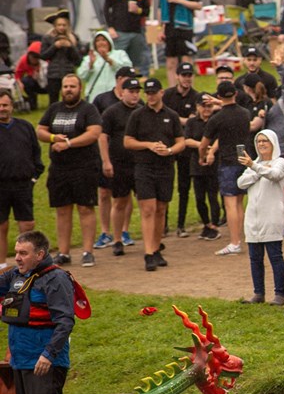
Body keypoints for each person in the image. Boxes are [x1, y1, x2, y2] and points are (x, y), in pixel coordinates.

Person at [0, 231, 77, 394]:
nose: (17, 258)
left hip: (45, 363)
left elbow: (65, 321)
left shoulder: (56, 279)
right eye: (16, 252)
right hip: (20, 362)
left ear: (40, 254)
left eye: (23, 253)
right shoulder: (15, 276)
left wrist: (48, 354)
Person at [36, 74, 101, 267]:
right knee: (62, 210)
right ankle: (63, 252)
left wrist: (69, 143)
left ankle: (88, 251)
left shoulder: (88, 109)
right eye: (65, 86)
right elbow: (40, 130)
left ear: (80, 88)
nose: (68, 89)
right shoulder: (54, 108)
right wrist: (54, 138)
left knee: (85, 208)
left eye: (72, 86)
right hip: (59, 168)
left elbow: (94, 132)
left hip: (84, 167)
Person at [123, 77, 185, 271]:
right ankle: (148, 253)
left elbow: (181, 141)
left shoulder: (172, 115)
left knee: (160, 209)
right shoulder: (138, 115)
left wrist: (169, 151)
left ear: (161, 93)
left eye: (153, 92)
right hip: (144, 166)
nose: (150, 96)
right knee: (148, 208)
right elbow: (128, 141)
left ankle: (156, 248)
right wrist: (148, 145)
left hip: (165, 166)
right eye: (147, 93)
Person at [198, 82, 252, 255]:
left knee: (230, 204)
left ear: (219, 96)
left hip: (227, 162)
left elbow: (204, 144)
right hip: (244, 160)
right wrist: (220, 102)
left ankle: (234, 242)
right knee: (239, 203)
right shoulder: (245, 113)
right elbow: (232, 108)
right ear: (235, 93)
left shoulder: (217, 118)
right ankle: (240, 238)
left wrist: (202, 156)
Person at [236, 130, 284, 304]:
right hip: (253, 218)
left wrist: (254, 168)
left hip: (271, 217)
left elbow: (275, 175)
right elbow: (240, 183)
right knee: (255, 258)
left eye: (265, 141)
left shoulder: (280, 162)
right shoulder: (254, 163)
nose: (262, 144)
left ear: (273, 143)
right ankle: (258, 293)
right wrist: (257, 169)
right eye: (258, 141)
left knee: (275, 256)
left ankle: (280, 293)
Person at [98, 78, 143, 257]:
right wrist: (106, 161)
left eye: (137, 91)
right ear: (122, 92)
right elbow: (103, 137)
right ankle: (117, 239)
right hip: (120, 163)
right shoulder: (112, 112)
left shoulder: (141, 111)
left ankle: (149, 240)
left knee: (146, 202)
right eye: (131, 91)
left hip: (140, 163)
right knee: (120, 201)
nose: (134, 94)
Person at [0, 90, 43, 267]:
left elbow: (36, 153)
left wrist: (34, 176)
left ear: (12, 106)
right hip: (0, 186)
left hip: (23, 184)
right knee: (1, 226)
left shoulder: (25, 127)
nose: (1, 108)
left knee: (27, 225)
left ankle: (27, 264)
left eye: (5, 105)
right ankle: (1, 265)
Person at [161, 62, 202, 238]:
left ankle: (180, 225)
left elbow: (194, 119)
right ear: (177, 76)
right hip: (168, 144)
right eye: (184, 75)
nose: (187, 78)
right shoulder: (168, 95)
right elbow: (164, 115)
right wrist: (184, 120)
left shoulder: (196, 96)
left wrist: (176, 119)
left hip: (186, 146)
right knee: (165, 185)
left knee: (184, 187)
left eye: (189, 75)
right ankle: (162, 224)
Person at [158, 0, 202, 87]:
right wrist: (160, 29)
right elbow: (160, 9)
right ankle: (172, 90)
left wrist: (179, 0)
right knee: (171, 62)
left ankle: (189, 88)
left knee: (186, 61)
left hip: (185, 28)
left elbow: (198, 5)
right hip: (170, 28)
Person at [183, 94, 220, 241]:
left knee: (212, 196)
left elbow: (219, 138)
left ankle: (214, 225)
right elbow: (187, 140)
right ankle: (206, 223)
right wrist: (202, 146)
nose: (206, 109)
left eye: (209, 106)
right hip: (196, 164)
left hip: (213, 162)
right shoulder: (192, 122)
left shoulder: (216, 120)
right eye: (203, 106)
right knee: (199, 197)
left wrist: (210, 151)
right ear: (197, 107)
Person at [103, 0, 148, 75]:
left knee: (133, 64)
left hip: (136, 31)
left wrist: (138, 10)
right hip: (119, 31)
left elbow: (146, 11)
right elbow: (107, 7)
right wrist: (110, 27)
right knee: (118, 63)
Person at [76, 31, 132, 102]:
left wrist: (109, 60)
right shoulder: (89, 58)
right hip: (95, 97)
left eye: (103, 40)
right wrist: (90, 65)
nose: (101, 43)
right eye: (97, 40)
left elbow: (127, 70)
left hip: (115, 96)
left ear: (109, 41)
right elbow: (81, 76)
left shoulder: (120, 54)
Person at [39, 10, 80, 103]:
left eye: (64, 25)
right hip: (54, 74)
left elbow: (78, 60)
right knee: (53, 100)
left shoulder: (73, 38)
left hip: (68, 72)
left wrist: (70, 47)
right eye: (59, 25)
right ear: (55, 26)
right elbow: (43, 56)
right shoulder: (48, 38)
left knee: (71, 99)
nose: (61, 27)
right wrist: (54, 46)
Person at [14, 42, 44, 111]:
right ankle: (32, 104)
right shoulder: (23, 60)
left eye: (36, 58)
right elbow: (17, 74)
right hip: (33, 83)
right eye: (32, 57)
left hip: (46, 82)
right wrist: (20, 83)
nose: (33, 60)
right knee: (26, 81)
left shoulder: (45, 61)